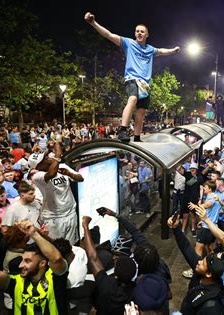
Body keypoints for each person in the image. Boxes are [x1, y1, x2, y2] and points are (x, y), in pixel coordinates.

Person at [84, 12, 180, 142]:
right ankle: (122, 131)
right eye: (137, 31)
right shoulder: (128, 43)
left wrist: (173, 51)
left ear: (147, 35)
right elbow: (109, 35)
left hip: (145, 85)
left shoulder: (150, 49)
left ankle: (137, 136)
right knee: (132, 99)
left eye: (142, 31)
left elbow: (162, 51)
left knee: (141, 112)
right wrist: (93, 23)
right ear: (135, 34)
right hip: (132, 78)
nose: (139, 33)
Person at [0, 220, 69, 314]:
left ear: (42, 263)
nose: (20, 265)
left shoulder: (55, 278)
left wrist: (34, 234)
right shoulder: (15, 282)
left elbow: (56, 259)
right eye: (22, 260)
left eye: (27, 261)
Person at [167, 215, 224, 314]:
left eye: (202, 263)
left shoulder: (212, 306)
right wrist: (176, 228)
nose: (198, 262)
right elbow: (187, 248)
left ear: (209, 274)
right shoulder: (201, 272)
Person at [28, 143, 84, 244]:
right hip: (54, 218)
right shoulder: (37, 176)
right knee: (57, 246)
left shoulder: (62, 166)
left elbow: (81, 178)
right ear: (38, 166)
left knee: (72, 245)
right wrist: (57, 155)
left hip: (70, 213)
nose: (48, 157)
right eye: (44, 159)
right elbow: (51, 174)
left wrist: (69, 173)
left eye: (46, 156)